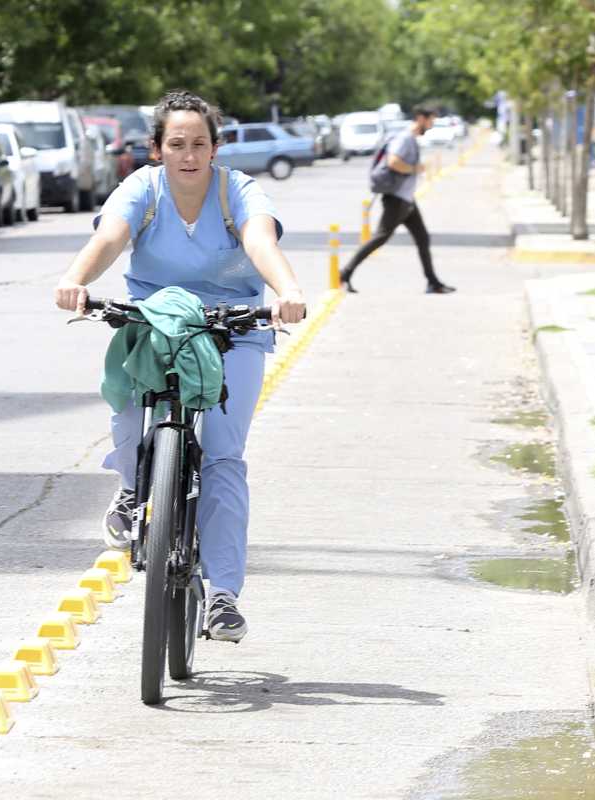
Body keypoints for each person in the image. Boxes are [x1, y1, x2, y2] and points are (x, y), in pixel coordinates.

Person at [54, 90, 306, 643]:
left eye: (199, 144)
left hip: (232, 327)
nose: (188, 154)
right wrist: (77, 280)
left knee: (221, 456)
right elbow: (110, 237)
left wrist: (287, 289)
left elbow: (260, 240)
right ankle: (131, 484)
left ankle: (222, 595)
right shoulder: (141, 190)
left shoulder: (236, 191)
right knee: (124, 399)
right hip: (156, 322)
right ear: (156, 150)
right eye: (176, 144)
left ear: (215, 148)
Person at [338, 105, 455, 295]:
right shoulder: (405, 138)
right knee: (380, 237)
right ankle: (344, 273)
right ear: (420, 118)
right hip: (397, 199)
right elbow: (393, 161)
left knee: (422, 238)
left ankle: (433, 282)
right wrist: (414, 169)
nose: (432, 125)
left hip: (406, 199)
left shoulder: (410, 138)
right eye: (430, 120)